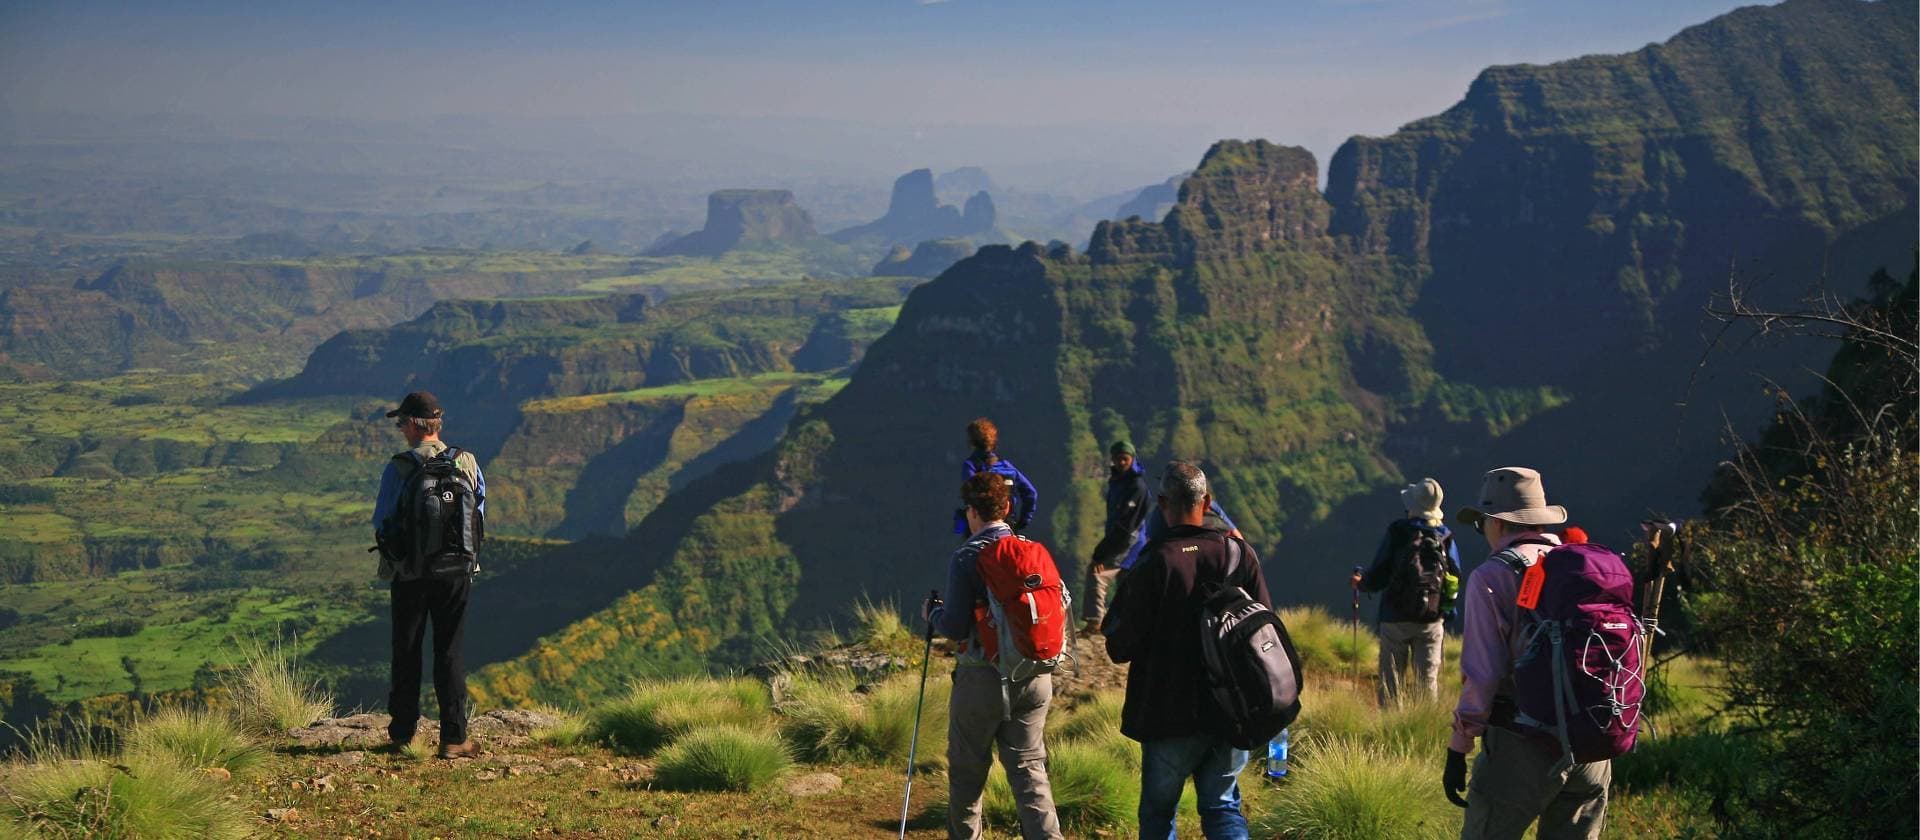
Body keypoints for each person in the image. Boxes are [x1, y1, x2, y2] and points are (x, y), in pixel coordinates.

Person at [1444, 467, 1610, 839]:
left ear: (1498, 523)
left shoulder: (1492, 576)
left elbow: (1483, 674)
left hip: (1523, 744)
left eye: (1482, 523)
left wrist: (1459, 746)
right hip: (1592, 742)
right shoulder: (1582, 566)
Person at [1105, 462, 1268, 839]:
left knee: (1160, 812)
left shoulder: (1152, 564)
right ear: (1207, 501)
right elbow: (1265, 630)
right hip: (1232, 709)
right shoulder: (1239, 555)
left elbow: (1119, 646)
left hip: (1168, 713)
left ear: (1162, 503)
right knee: (1222, 806)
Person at [927, 472, 1063, 840]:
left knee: (968, 774)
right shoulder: (1029, 549)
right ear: (1006, 508)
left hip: (982, 678)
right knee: (1029, 769)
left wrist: (932, 614)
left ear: (971, 511)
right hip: (1035, 674)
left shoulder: (967, 556)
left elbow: (955, 627)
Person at [372, 391, 486, 759]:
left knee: (407, 650)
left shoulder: (400, 466)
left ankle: (403, 734)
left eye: (400, 422)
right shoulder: (466, 462)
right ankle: (454, 737)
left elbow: (382, 520)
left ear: (412, 425)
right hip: (457, 572)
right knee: (449, 651)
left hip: (409, 572)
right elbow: (479, 511)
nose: (400, 429)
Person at [1357, 478, 1462, 706]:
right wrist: (1447, 610)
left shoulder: (1399, 532)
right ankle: (1425, 729)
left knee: (1392, 682)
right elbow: (1454, 575)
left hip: (1395, 617)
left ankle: (1392, 731)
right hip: (1432, 619)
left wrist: (1361, 582)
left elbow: (1379, 573)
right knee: (1427, 682)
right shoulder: (1445, 536)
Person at [1082, 440, 1148, 631]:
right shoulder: (1119, 481)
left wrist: (1102, 553)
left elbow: (1126, 527)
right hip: (1122, 541)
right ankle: (1123, 624)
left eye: (1124, 459)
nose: (1121, 463)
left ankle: (1095, 622)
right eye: (1117, 459)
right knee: (1125, 585)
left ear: (1132, 459)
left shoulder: (1136, 487)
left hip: (1129, 543)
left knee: (1098, 572)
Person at [951, 417, 1039, 535]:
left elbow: (969, 496)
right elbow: (1031, 493)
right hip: (1008, 524)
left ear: (971, 442)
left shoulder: (970, 466)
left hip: (980, 528)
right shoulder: (1007, 467)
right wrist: (1022, 521)